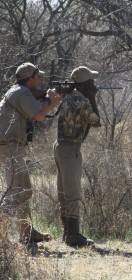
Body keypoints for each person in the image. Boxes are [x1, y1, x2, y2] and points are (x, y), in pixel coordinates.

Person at [0, 62, 62, 244]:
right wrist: (53, 101)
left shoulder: (17, 91)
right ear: (31, 79)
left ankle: (27, 233)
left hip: (9, 145)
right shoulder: (22, 93)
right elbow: (40, 115)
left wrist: (46, 96)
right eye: (38, 77)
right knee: (15, 192)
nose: (40, 79)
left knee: (24, 189)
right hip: (9, 146)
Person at [53, 66, 101, 247]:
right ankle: (73, 236)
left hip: (59, 146)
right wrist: (93, 98)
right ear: (87, 84)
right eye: (92, 82)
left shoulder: (67, 96)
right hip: (71, 148)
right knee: (72, 193)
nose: (94, 85)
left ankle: (67, 233)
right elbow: (96, 121)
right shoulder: (83, 102)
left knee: (63, 192)